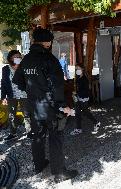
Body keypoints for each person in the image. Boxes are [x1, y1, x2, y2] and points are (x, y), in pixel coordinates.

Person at [12, 28, 78, 183]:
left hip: (33, 106)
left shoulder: (26, 60)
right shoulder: (50, 59)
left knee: (38, 137)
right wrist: (63, 106)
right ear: (47, 42)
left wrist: (33, 90)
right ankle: (59, 172)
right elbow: (57, 87)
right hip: (50, 108)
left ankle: (39, 164)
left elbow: (18, 81)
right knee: (56, 138)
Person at [1, 50, 30, 141]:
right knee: (11, 115)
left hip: (24, 95)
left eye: (19, 57)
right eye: (16, 57)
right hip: (11, 95)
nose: (18, 58)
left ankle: (29, 132)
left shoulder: (24, 67)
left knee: (27, 114)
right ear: (10, 58)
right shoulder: (5, 69)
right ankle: (13, 133)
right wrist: (3, 97)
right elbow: (4, 83)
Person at [70, 64, 100, 135]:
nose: (77, 70)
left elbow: (86, 90)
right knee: (79, 113)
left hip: (83, 98)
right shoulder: (78, 78)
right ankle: (79, 128)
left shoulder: (84, 79)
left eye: (78, 69)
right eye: (76, 69)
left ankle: (94, 123)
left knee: (84, 112)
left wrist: (76, 92)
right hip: (79, 98)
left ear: (82, 69)